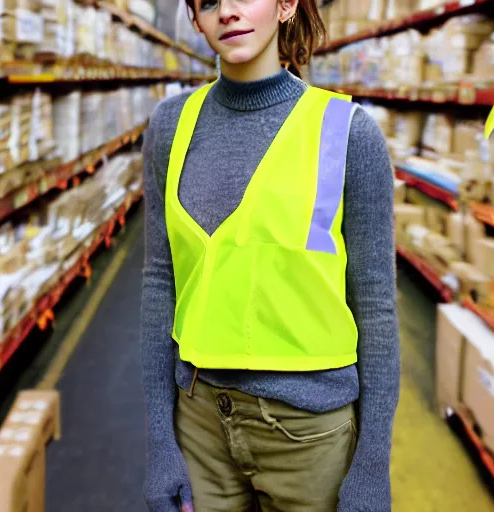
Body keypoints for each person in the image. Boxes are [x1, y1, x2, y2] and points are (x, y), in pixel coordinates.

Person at [140, 0, 400, 511]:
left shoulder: (348, 133)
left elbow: (375, 303)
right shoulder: (171, 126)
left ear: (286, 5)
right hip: (199, 422)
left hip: (312, 434)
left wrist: (371, 466)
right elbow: (159, 281)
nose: (229, 12)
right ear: (194, 18)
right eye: (210, 2)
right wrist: (159, 444)